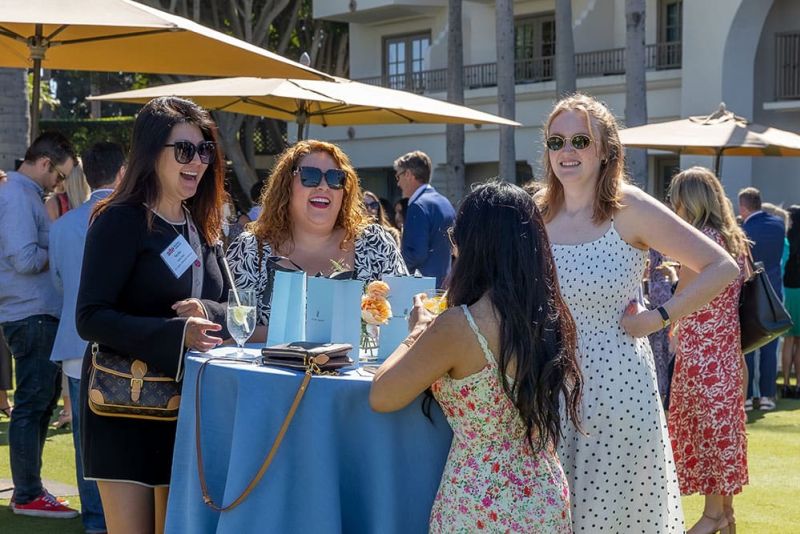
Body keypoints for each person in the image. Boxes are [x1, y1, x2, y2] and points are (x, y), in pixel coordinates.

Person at [535, 93, 739, 533]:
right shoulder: (536, 212)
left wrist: (659, 318)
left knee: (614, 519)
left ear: (606, 150)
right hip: (550, 386)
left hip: (617, 387)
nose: (566, 152)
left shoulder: (628, 208)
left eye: (579, 141)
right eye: (556, 142)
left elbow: (722, 267)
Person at [370, 181, 582, 533]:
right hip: (542, 491)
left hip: (480, 498)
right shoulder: (547, 316)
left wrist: (416, 333)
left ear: (472, 244)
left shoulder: (458, 326)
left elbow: (383, 395)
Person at [76, 97, 231, 534]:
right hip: (124, 406)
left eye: (204, 151)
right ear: (150, 152)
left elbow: (228, 308)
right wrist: (175, 333)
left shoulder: (202, 224)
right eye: (184, 150)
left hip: (191, 408)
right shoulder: (119, 221)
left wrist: (207, 312)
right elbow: (89, 318)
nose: (197, 161)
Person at [227, 139, 408, 343]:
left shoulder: (375, 244)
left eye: (335, 178)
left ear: (344, 190)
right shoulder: (251, 249)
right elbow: (230, 330)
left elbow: (406, 319)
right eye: (310, 176)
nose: (323, 187)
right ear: (286, 185)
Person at [0, 131, 79, 518]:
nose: (59, 185)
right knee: (33, 406)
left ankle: (30, 489)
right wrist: (61, 247)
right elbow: (24, 259)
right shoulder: (17, 195)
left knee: (38, 404)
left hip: (32, 313)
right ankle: (28, 493)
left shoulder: (23, 193)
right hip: (29, 314)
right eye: (60, 176)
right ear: (46, 163)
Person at [49, 141, 126, 534]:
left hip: (77, 346)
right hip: (123, 347)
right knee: (123, 440)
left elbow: (59, 283)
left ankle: (97, 521)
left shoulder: (62, 226)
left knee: (85, 445)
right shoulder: (136, 217)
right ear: (121, 172)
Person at [667, 167, 749, 534]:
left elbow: (683, 299)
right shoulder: (734, 240)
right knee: (722, 430)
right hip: (728, 353)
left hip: (701, 354)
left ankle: (713, 515)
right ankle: (724, 514)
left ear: (688, 200)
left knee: (705, 433)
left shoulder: (699, 242)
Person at [738, 187, 785, 411]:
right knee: (769, 344)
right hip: (775, 290)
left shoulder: (743, 229)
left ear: (743, 207)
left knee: (748, 343)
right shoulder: (778, 225)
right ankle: (767, 395)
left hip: (751, 292)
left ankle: (747, 397)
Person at [394, 150, 455, 288]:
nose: (398, 183)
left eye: (398, 176)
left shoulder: (418, 206)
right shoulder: (445, 202)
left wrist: (393, 265)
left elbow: (417, 254)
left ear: (408, 174)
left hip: (423, 291)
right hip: (445, 286)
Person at [781, 205, 800, 399]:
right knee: (799, 343)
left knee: (788, 341)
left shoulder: (786, 240)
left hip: (787, 290)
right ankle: (798, 384)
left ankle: (785, 384)